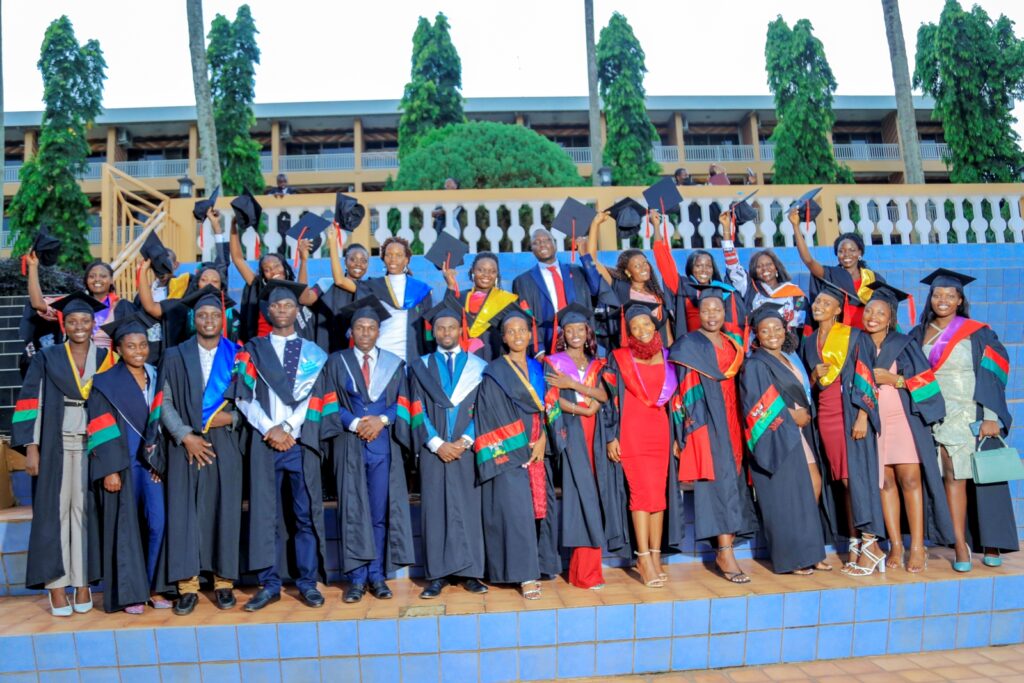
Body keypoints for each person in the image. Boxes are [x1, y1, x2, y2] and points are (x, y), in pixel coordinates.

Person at [227, 280, 330, 611]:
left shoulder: (315, 353)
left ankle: (307, 582)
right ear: (267, 311)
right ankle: (269, 584)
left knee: (304, 515)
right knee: (265, 514)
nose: (282, 310)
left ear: (297, 311)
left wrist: (287, 427)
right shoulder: (252, 349)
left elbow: (316, 399)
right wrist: (270, 427)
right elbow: (243, 396)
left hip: (300, 442)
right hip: (264, 441)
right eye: (276, 306)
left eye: (288, 305)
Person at [13, 292, 115, 616]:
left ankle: (82, 581)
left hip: (92, 446)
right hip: (56, 443)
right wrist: (31, 447)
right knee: (55, 512)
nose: (79, 326)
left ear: (93, 322)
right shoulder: (48, 357)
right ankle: (56, 586)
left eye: (85, 320)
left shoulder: (105, 358)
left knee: (85, 513)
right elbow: (32, 401)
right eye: (72, 321)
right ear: (64, 324)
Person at [910, 269, 1017, 571]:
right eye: (937, 294)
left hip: (974, 410)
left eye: (949, 295)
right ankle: (959, 544)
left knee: (985, 478)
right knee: (952, 478)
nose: (942, 299)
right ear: (930, 299)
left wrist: (992, 414)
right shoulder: (918, 334)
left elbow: (994, 370)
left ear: (959, 300)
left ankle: (992, 541)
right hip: (939, 412)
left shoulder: (977, 331)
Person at [317, 297, 415, 603]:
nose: (365, 331)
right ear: (351, 330)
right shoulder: (335, 362)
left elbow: (404, 405)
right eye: (359, 326)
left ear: (378, 332)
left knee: (378, 513)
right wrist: (356, 422)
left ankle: (377, 575)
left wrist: (382, 419)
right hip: (349, 444)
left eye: (371, 327)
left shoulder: (394, 364)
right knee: (351, 511)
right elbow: (328, 403)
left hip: (382, 445)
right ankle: (356, 579)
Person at [157, 287, 244, 615]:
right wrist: (183, 435)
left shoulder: (237, 355)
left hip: (226, 442)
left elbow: (249, 402)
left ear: (224, 319)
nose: (209, 319)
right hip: (186, 445)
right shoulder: (175, 354)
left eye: (215, 315)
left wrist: (232, 418)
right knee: (185, 513)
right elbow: (162, 401)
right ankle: (188, 585)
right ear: (194, 318)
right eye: (203, 315)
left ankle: (224, 582)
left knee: (225, 509)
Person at [862, 282, 954, 574]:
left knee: (910, 480)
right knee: (885, 483)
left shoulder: (904, 343)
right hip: (875, 422)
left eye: (880, 312)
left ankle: (916, 545)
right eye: (869, 310)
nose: (873, 316)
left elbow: (927, 383)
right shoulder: (859, 344)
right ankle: (895, 545)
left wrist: (896, 381)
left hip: (903, 419)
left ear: (890, 318)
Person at [671, 287, 758, 583]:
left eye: (717, 310)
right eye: (706, 310)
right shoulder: (687, 346)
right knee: (718, 482)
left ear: (724, 313)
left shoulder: (733, 344)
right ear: (697, 314)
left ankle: (728, 543)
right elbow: (682, 391)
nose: (711, 315)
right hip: (706, 421)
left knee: (733, 478)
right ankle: (724, 551)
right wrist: (687, 430)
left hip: (734, 418)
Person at [740, 305, 835, 575]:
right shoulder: (756, 363)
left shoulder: (788, 357)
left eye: (777, 329)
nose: (772, 334)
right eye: (765, 330)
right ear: (756, 335)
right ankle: (793, 557)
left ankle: (811, 551)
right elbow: (756, 404)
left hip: (798, 431)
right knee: (786, 496)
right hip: (778, 433)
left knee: (812, 485)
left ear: (785, 330)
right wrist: (791, 416)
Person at [86, 311, 171, 613]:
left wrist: (159, 462)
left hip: (151, 464)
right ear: (118, 349)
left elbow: (163, 423)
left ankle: (154, 586)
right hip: (122, 463)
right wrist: (109, 469)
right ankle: (130, 593)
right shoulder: (105, 383)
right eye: (131, 346)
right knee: (127, 526)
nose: (139, 351)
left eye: (143, 345)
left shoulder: (158, 375)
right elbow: (101, 427)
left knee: (158, 522)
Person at [800, 279, 886, 576]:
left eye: (825, 303)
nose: (818, 306)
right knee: (841, 483)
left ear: (838, 309)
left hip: (849, 414)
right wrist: (812, 375)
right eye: (816, 303)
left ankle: (872, 544)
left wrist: (863, 415)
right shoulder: (808, 341)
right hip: (825, 417)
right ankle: (854, 541)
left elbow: (866, 376)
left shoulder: (854, 336)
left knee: (856, 481)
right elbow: (804, 385)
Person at [474, 310, 560, 598]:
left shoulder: (540, 369)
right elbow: (491, 415)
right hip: (511, 453)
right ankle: (525, 575)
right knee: (516, 514)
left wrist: (544, 440)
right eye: (510, 331)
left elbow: (550, 408)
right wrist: (523, 446)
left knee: (540, 511)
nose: (517, 336)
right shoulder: (495, 373)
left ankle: (542, 564)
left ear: (530, 333)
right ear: (503, 337)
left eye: (522, 330)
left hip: (539, 448)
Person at [406, 303, 489, 598]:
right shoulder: (419, 366)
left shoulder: (478, 367)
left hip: (467, 449)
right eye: (440, 328)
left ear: (460, 330)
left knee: (469, 507)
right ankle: (437, 575)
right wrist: (436, 443)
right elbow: (414, 407)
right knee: (434, 508)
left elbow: (485, 410)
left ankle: (471, 573)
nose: (446, 332)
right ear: (433, 332)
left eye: (451, 327)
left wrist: (466, 441)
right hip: (434, 450)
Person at [544, 304, 628, 590]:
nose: (576, 334)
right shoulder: (553, 362)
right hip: (572, 433)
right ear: (563, 334)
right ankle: (586, 573)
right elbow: (552, 399)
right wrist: (584, 411)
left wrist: (576, 386)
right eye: (570, 330)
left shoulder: (598, 363)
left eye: (580, 329)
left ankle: (584, 572)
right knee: (582, 499)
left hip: (597, 435)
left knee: (595, 495)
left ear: (588, 332)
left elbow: (606, 394)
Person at [603, 302, 684, 587]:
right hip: (632, 431)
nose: (641, 330)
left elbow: (675, 401)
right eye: (635, 327)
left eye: (646, 324)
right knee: (640, 495)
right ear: (629, 332)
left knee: (659, 496)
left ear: (655, 326)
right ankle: (643, 556)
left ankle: (656, 554)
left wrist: (678, 437)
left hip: (661, 431)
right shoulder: (619, 357)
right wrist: (611, 435)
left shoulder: (668, 357)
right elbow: (610, 399)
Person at [136, 208, 234, 346]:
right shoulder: (182, 305)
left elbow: (223, 261)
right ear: (196, 283)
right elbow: (151, 307)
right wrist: (143, 272)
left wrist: (216, 226)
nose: (209, 284)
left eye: (215, 281)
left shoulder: (228, 312)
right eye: (204, 280)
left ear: (221, 286)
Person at [652, 211, 746, 340]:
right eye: (698, 265)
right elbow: (663, 261)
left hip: (720, 345)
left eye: (708, 266)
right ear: (691, 268)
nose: (704, 270)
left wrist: (725, 229)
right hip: (692, 346)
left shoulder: (721, 289)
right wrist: (656, 227)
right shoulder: (683, 286)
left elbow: (732, 263)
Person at [511, 228, 604, 355]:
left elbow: (596, 288)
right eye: (536, 242)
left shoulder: (577, 272)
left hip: (581, 338)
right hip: (549, 342)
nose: (542, 244)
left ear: (555, 244)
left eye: (546, 240)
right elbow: (527, 318)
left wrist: (584, 256)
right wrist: (538, 350)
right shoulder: (523, 281)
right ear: (531, 249)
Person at [586, 214, 672, 347]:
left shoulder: (657, 294)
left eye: (645, 263)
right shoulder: (620, 287)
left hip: (658, 351)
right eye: (637, 266)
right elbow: (592, 260)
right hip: (630, 350)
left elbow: (666, 331)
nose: (644, 268)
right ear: (627, 271)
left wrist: (656, 226)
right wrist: (595, 224)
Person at [792, 208, 884, 330]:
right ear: (837, 254)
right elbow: (809, 261)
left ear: (859, 253)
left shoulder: (874, 278)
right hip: (839, 335)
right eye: (841, 251)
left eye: (852, 250)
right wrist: (796, 227)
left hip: (868, 333)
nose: (846, 254)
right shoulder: (832, 274)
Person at [230, 215, 317, 342]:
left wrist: (304, 260)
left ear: (285, 267)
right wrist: (233, 227)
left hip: (292, 347)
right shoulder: (258, 287)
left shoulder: (294, 289)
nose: (273, 271)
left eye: (277, 266)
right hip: (264, 347)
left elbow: (303, 292)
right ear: (263, 275)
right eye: (267, 269)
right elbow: (237, 259)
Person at [721, 219, 809, 334]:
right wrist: (726, 229)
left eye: (769, 264)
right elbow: (733, 266)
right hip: (757, 346)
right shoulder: (750, 289)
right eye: (759, 266)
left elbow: (800, 326)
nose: (765, 269)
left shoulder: (794, 293)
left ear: (776, 267)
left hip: (787, 345)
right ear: (754, 271)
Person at [27, 258, 134, 351]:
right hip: (76, 366)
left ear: (111, 280)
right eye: (92, 276)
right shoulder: (74, 303)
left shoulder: (122, 306)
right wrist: (32, 267)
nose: (97, 279)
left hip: (111, 366)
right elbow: (37, 303)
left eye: (103, 276)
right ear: (86, 280)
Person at [442, 251, 520, 360]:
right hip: (465, 358)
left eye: (492, 271)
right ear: (472, 271)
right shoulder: (461, 297)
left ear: (497, 274)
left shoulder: (507, 300)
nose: (486, 275)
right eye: (481, 270)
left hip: (497, 356)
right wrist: (450, 285)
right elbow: (445, 317)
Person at [313, 232, 369, 352]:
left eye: (364, 260)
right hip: (326, 347)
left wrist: (333, 244)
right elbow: (304, 299)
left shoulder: (366, 288)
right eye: (353, 259)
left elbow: (340, 280)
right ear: (345, 261)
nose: (358, 264)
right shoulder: (327, 284)